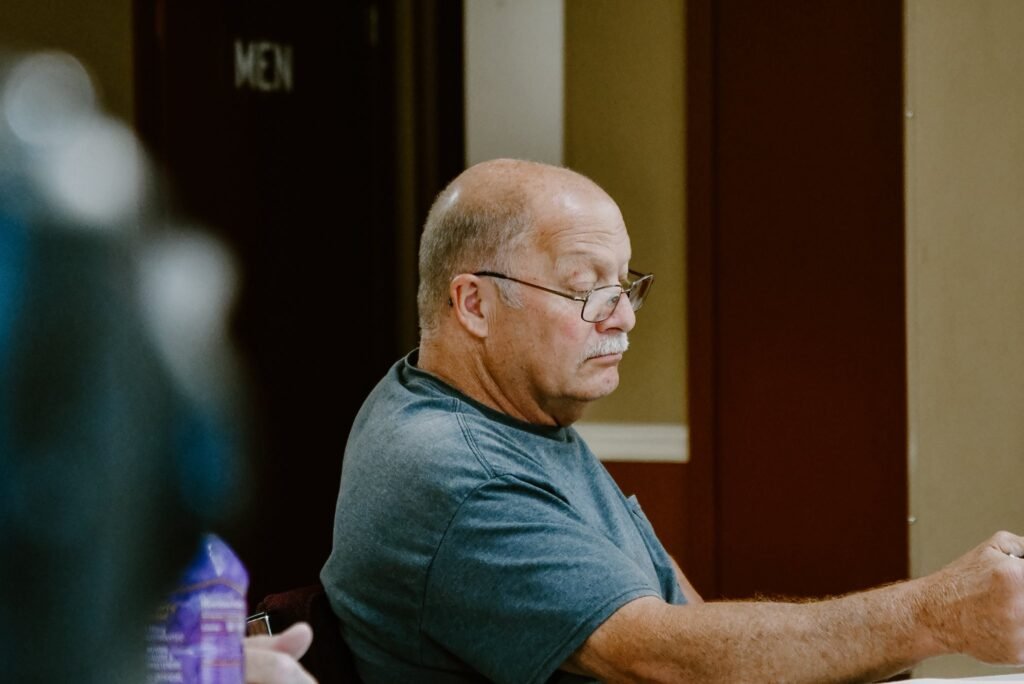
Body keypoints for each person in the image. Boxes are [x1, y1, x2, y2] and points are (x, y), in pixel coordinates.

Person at [321, 158, 1024, 683]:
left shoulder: (513, 412)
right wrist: (937, 614)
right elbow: (661, 658)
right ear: (473, 305)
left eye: (624, 285)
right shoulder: (453, 467)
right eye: (584, 288)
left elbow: (681, 622)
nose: (623, 317)